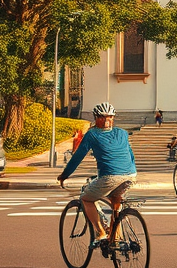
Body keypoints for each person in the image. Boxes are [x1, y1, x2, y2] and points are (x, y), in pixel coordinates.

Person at [57, 102, 137, 245]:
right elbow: (131, 156)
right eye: (103, 117)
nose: (106, 120)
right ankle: (115, 236)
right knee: (115, 202)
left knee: (86, 199)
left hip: (110, 176)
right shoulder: (123, 133)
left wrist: (65, 175)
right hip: (131, 174)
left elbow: (77, 157)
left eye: (108, 117)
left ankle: (100, 232)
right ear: (97, 118)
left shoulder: (92, 134)